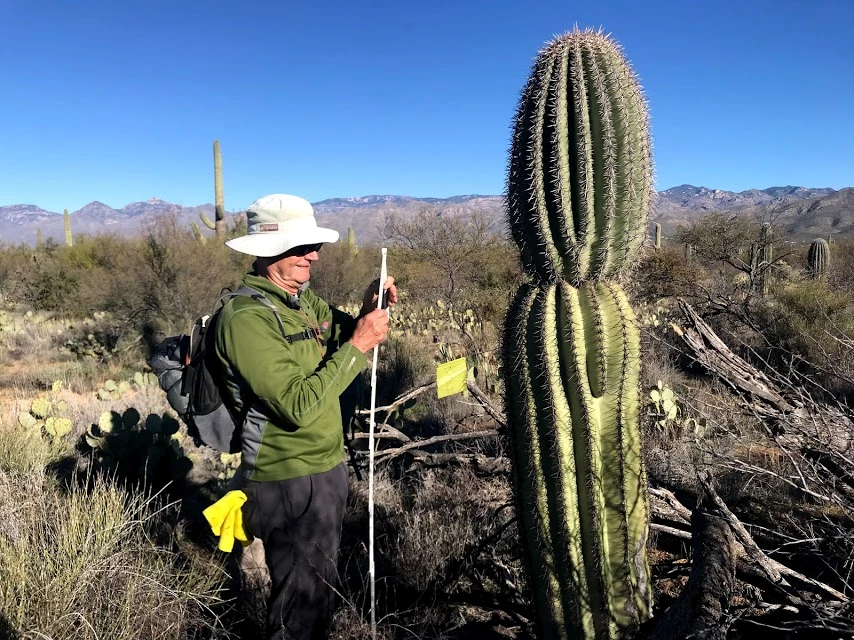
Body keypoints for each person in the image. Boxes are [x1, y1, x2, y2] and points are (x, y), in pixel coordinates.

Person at [215, 193, 397, 640]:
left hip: (324, 466)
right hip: (287, 479)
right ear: (264, 251)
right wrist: (359, 346)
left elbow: (341, 332)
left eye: (312, 246)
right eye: (298, 247)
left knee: (314, 597)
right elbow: (296, 404)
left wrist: (367, 308)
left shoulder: (300, 301)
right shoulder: (244, 318)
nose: (311, 256)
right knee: (300, 610)